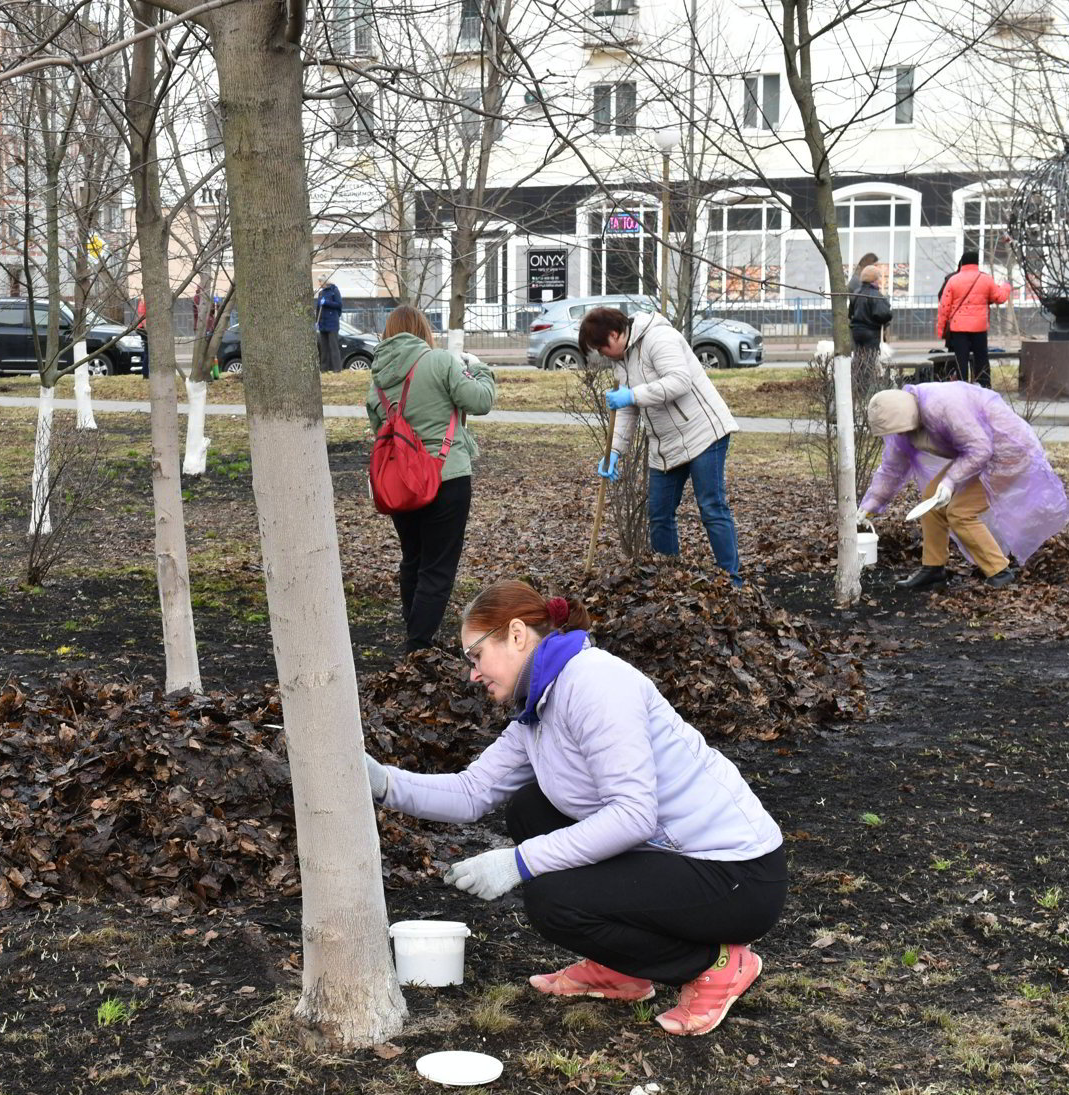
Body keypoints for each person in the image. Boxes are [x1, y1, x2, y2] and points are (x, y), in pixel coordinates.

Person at [362, 580, 787, 1037]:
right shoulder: (538, 706)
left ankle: (714, 965)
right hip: (671, 858)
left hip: (736, 876)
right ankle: (622, 968)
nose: (473, 674)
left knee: (554, 902)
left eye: (476, 655)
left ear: (517, 634)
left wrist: (518, 862)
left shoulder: (595, 684)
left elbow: (633, 815)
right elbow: (472, 792)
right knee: (530, 809)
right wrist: (382, 782)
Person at [580, 306, 743, 584]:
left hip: (703, 433)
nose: (602, 354)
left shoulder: (658, 337)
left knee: (711, 507)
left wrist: (633, 394)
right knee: (659, 514)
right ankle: (669, 580)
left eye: (601, 347)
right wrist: (614, 451)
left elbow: (679, 381)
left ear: (615, 334)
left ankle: (732, 581)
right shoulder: (622, 360)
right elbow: (628, 409)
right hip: (666, 444)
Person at [367, 304, 496, 653]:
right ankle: (418, 646)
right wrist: (479, 369)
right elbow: (480, 401)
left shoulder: (377, 378)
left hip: (401, 484)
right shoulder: (440, 362)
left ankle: (416, 633)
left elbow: (380, 431)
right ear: (422, 329)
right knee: (437, 567)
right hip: (446, 477)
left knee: (413, 559)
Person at [857, 383, 1069, 591]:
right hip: (977, 456)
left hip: (1008, 453)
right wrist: (871, 504)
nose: (902, 436)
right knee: (931, 498)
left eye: (902, 430)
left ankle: (1000, 571)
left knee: (960, 512)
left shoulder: (943, 406)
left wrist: (950, 481)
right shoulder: (903, 426)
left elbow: (980, 448)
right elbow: (892, 468)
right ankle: (933, 569)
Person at [935, 250, 1010, 389]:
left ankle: (962, 389)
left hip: (959, 329)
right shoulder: (985, 279)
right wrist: (1006, 287)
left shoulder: (953, 280)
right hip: (979, 328)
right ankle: (984, 387)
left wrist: (941, 330)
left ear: (962, 263)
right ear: (976, 263)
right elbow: (999, 298)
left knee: (960, 361)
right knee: (981, 359)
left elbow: (944, 307)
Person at [847, 265, 892, 351]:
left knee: (859, 355)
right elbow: (883, 314)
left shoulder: (856, 293)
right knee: (871, 356)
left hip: (856, 332)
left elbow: (850, 313)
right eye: (878, 277)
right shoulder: (876, 295)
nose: (880, 280)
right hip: (871, 332)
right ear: (874, 279)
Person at [316, 277, 344, 373]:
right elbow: (318, 308)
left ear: (324, 281)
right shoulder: (321, 293)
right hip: (323, 324)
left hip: (332, 323)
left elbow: (339, 304)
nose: (319, 284)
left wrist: (327, 302)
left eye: (320, 281)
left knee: (333, 346)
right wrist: (317, 321)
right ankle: (324, 368)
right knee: (324, 348)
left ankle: (337, 368)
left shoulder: (334, 291)